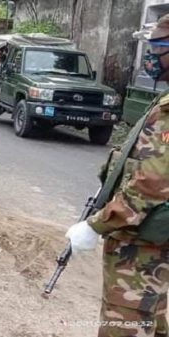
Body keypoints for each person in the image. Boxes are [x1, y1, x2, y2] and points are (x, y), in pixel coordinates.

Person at [65, 14, 169, 337]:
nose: (149, 56)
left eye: (158, 48)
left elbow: (149, 185)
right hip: (147, 251)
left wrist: (95, 225)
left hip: (141, 254)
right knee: (151, 321)